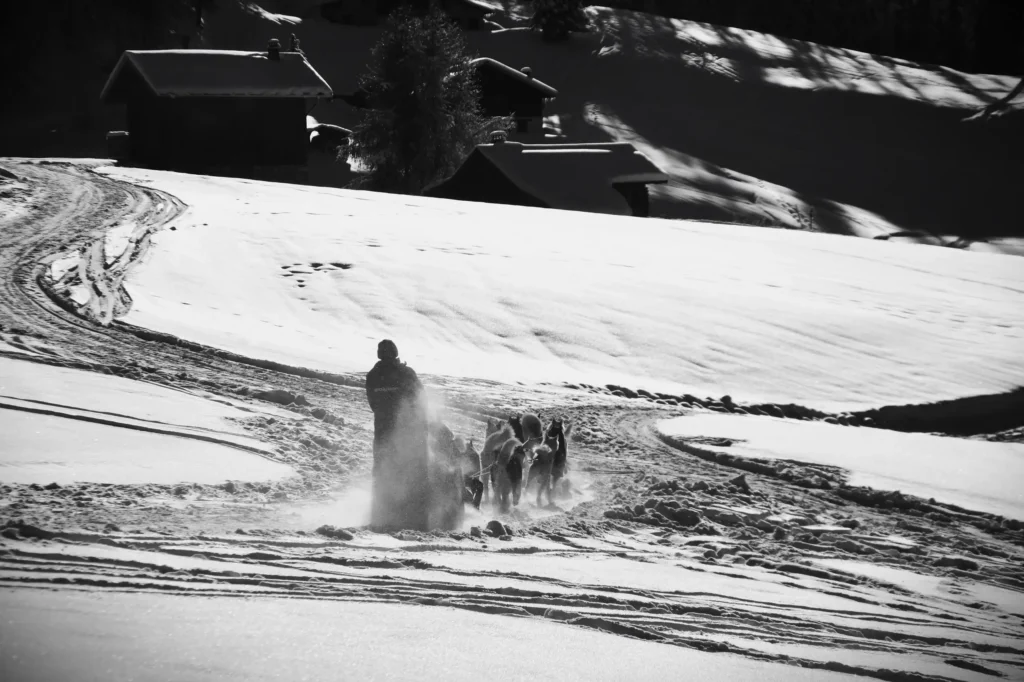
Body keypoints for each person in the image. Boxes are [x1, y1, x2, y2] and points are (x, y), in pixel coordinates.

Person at [365, 339, 429, 531]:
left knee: (382, 475)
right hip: (409, 435)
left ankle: (381, 516)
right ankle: (416, 520)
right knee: (414, 474)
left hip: (383, 435)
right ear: (395, 353)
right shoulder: (406, 374)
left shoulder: (373, 376)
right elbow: (420, 399)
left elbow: (373, 405)